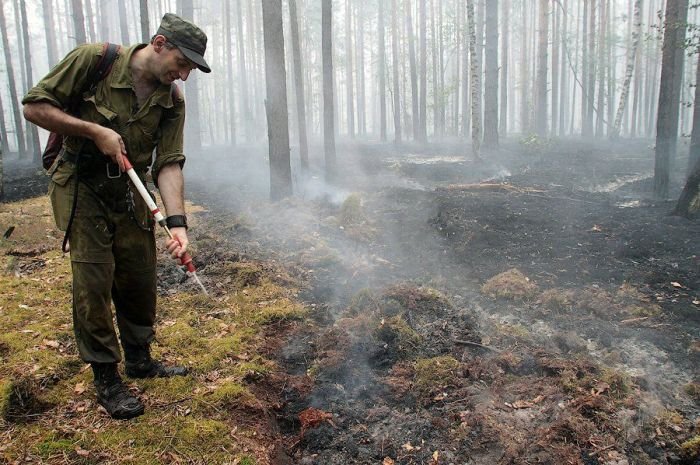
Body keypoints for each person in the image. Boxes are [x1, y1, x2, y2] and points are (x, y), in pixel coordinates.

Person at [22, 13, 211, 420]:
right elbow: (34, 106)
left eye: (191, 69)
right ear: (159, 44)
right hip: (81, 183)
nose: (184, 76)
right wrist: (93, 131)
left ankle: (140, 359)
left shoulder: (172, 100)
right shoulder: (95, 60)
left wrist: (178, 227)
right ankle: (106, 377)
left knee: (139, 273)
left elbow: (169, 165)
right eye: (183, 64)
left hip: (130, 189)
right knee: (94, 278)